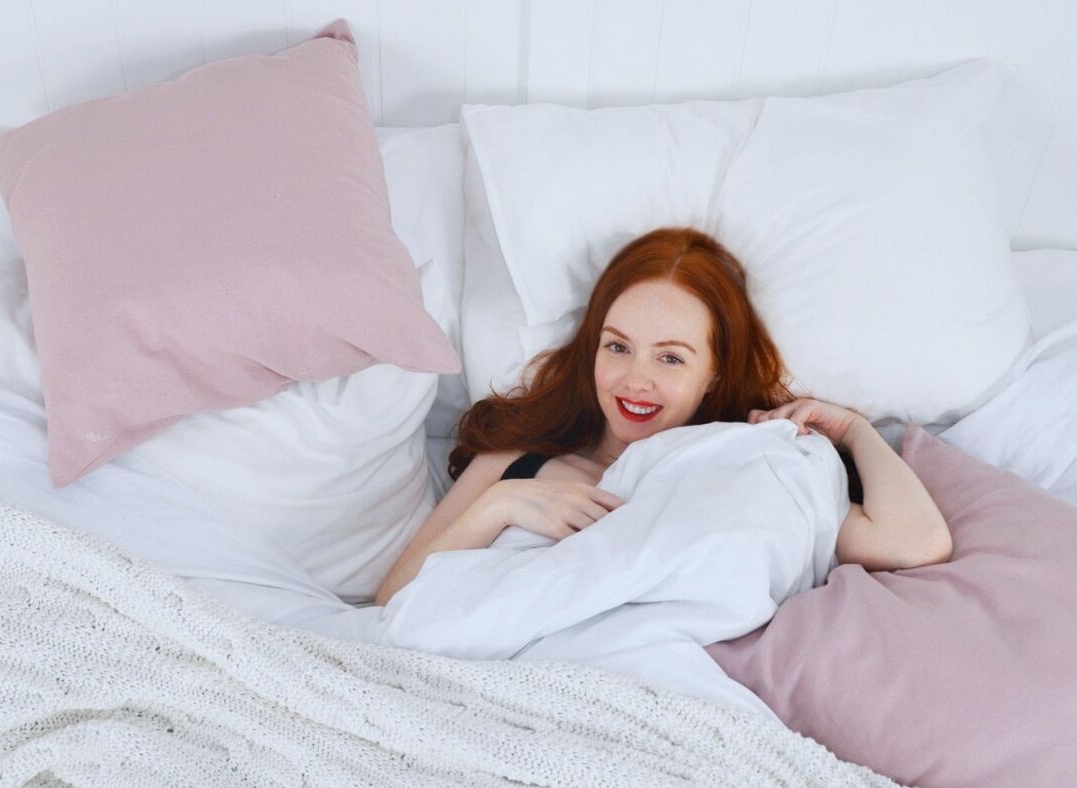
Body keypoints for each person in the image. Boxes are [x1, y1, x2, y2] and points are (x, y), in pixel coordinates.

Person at [374, 227, 952, 606]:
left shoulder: (745, 462)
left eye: (671, 357)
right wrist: (500, 505)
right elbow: (392, 600)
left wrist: (852, 429)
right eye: (617, 346)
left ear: (715, 375)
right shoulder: (516, 461)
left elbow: (916, 542)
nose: (635, 380)